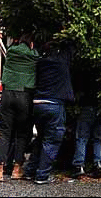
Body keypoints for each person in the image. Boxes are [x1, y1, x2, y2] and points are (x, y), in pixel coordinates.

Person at [0, 33, 39, 182]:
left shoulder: (11, 52)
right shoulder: (34, 56)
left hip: (8, 94)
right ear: (31, 44)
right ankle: (17, 169)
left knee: (3, 132)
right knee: (22, 133)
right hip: (25, 96)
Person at [23, 40, 76, 184]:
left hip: (38, 104)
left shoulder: (41, 63)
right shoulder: (61, 61)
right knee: (51, 140)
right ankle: (42, 175)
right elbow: (71, 48)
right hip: (54, 104)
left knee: (41, 138)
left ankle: (29, 171)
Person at [70, 69, 101, 179]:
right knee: (97, 139)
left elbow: (78, 91)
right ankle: (98, 163)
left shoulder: (83, 74)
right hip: (100, 109)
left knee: (82, 138)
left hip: (86, 108)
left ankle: (79, 165)